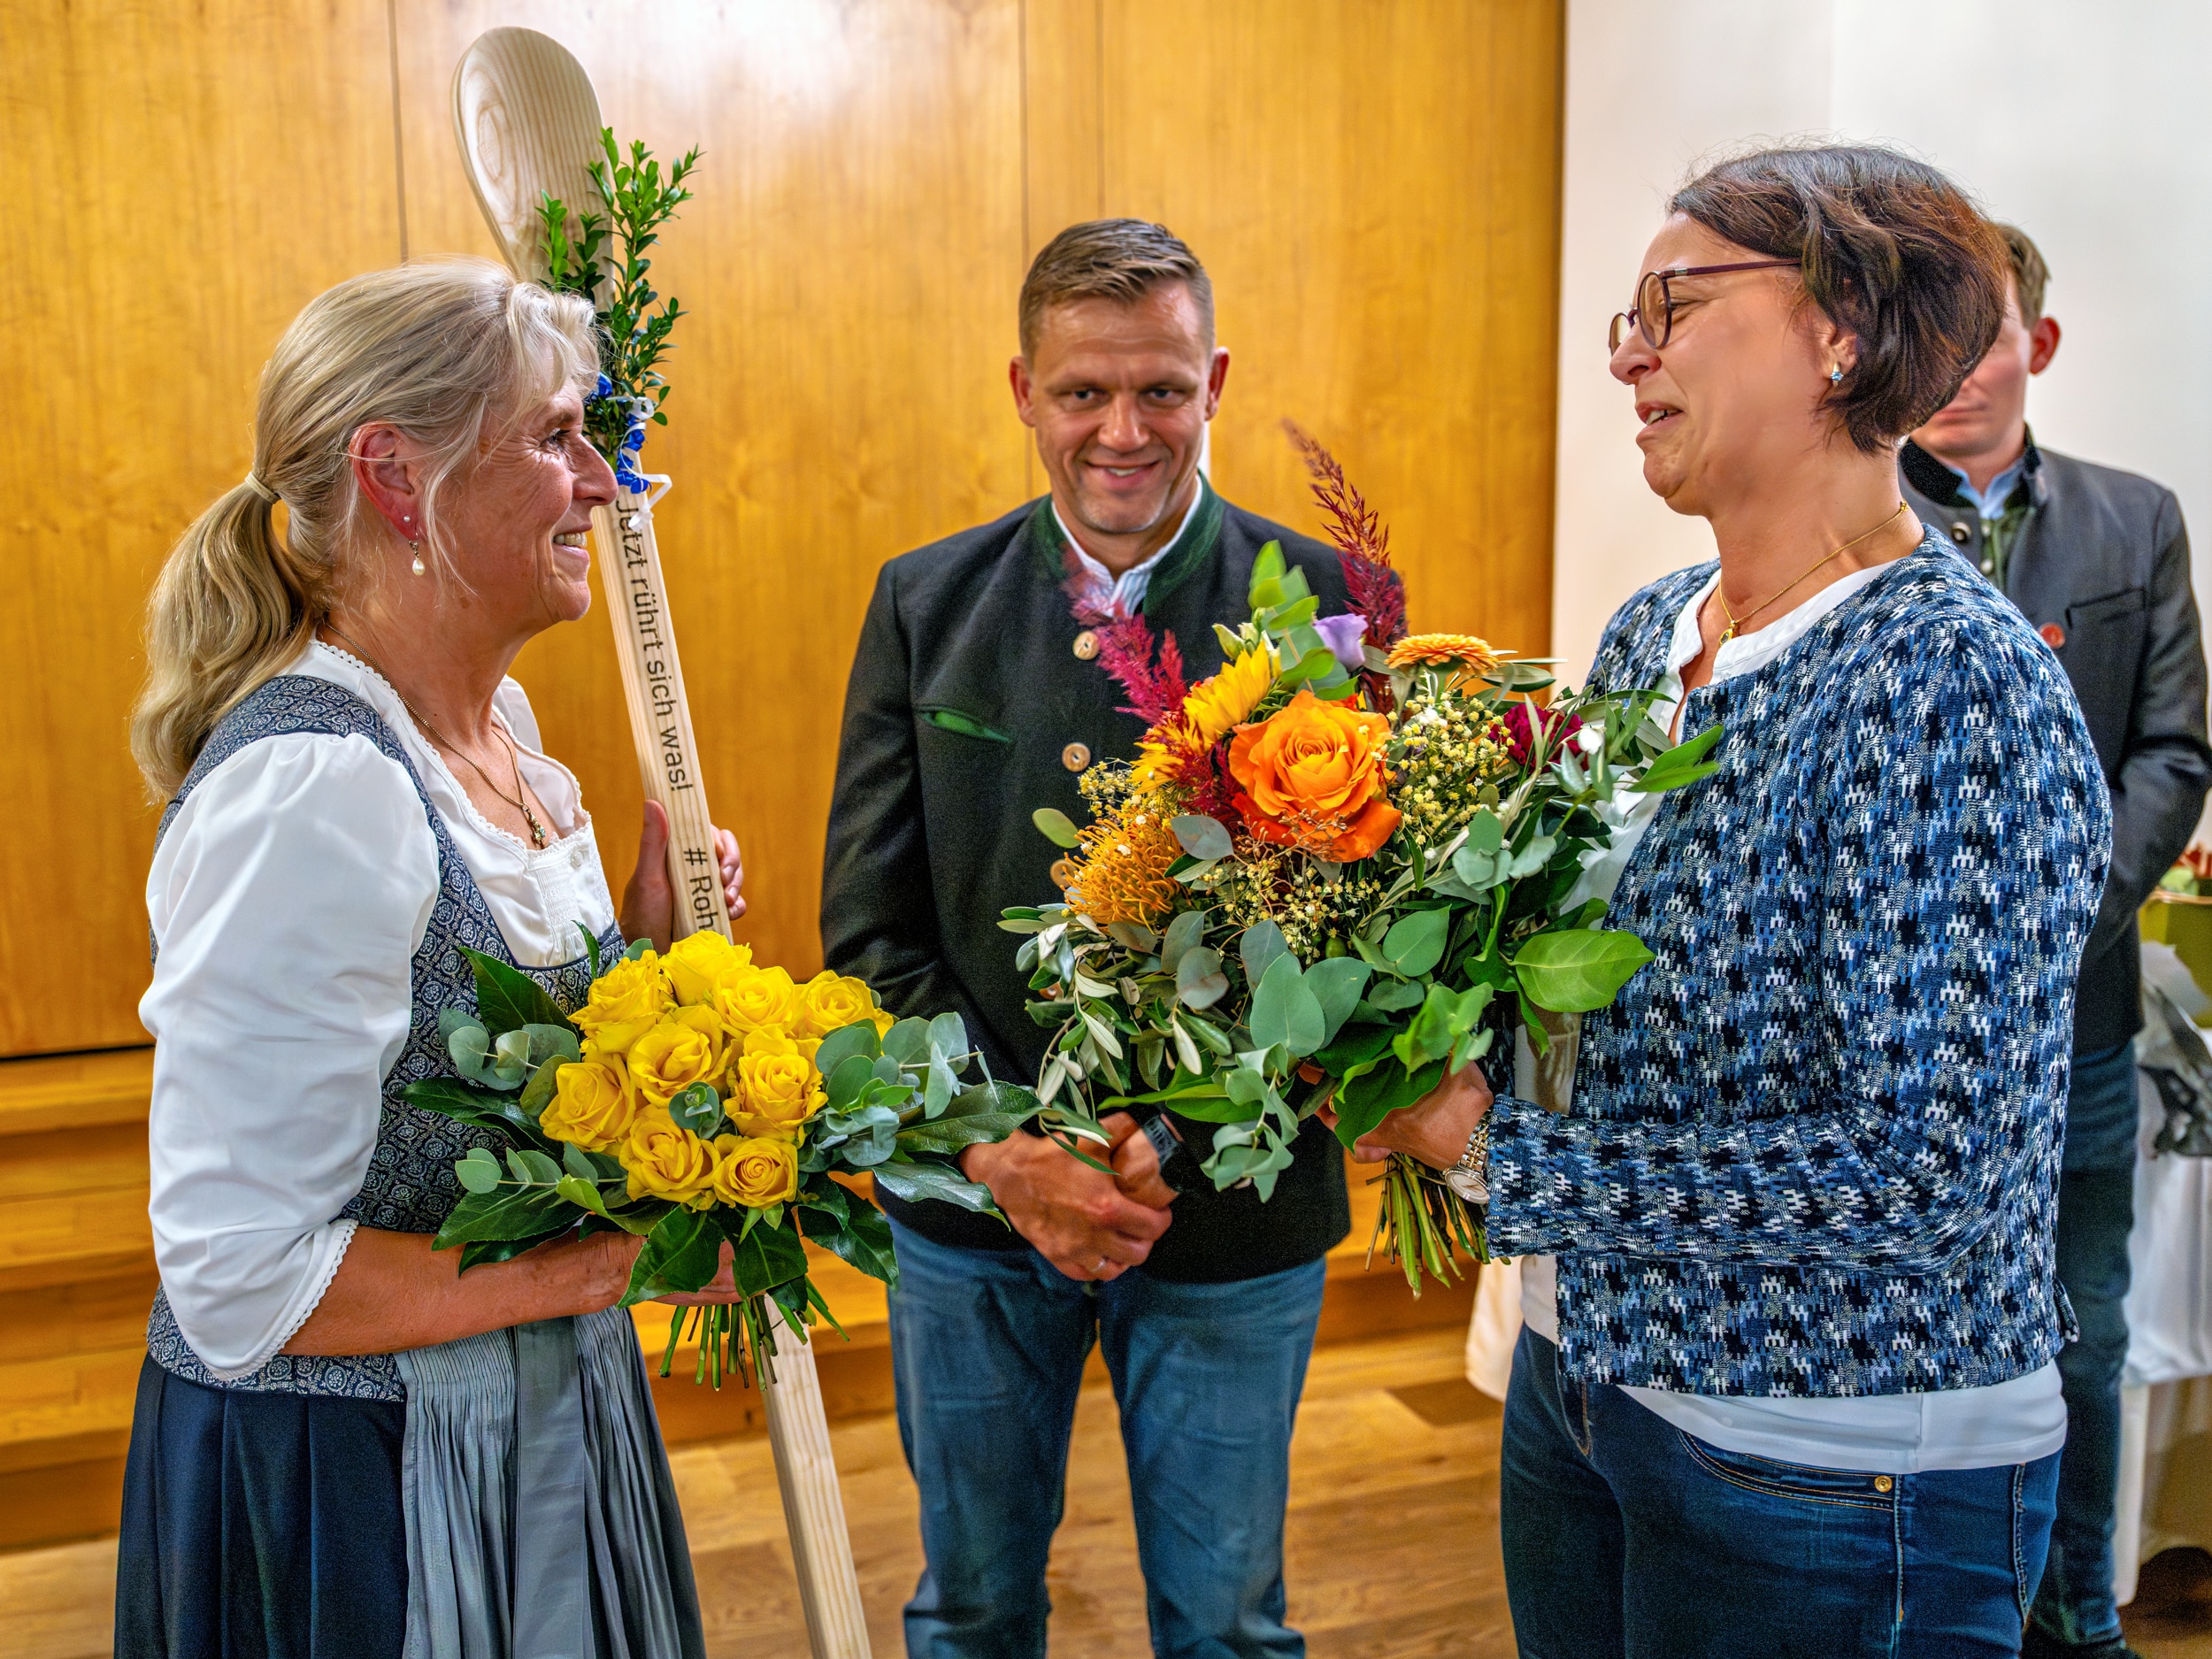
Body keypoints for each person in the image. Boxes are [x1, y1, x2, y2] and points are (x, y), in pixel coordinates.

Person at [1338, 146, 2112, 1656]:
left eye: (1670, 304)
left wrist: (1505, 1157)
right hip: (1593, 1385)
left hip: (1831, 1471)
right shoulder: (1647, 637)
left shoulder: (1951, 683)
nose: (1626, 350)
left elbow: (1927, 1175)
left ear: (1841, 331)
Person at [119, 259, 746, 1657]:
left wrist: (647, 963)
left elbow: (488, 1089)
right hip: (357, 1498)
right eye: (553, 435)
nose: (603, 482)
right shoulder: (314, 792)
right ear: (396, 478)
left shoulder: (503, 733)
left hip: (535, 1432)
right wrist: (615, 1264)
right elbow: (238, 1285)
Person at [823, 219, 1384, 1658]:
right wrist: (1006, 1151)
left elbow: (1359, 940)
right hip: (973, 1207)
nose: (1122, 432)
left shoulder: (1325, 605)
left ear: (1216, 382)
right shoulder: (923, 601)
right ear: (1024, 390)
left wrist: (1169, 1144)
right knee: (970, 1610)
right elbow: (871, 937)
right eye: (1084, 394)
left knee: (1229, 1625)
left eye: (1162, 391)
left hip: (1230, 1219)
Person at [1905, 225, 2212, 1659]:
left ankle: (2077, 1618)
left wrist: (2049, 912)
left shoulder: (2135, 518)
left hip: (2076, 1021)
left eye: (1989, 331)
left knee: (2078, 1332)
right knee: (1908, 1324)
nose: (1960, 366)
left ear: (2041, 343)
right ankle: (1928, 1604)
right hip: (1893, 1032)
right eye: (1935, 330)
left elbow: (2172, 750)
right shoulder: (1852, 513)